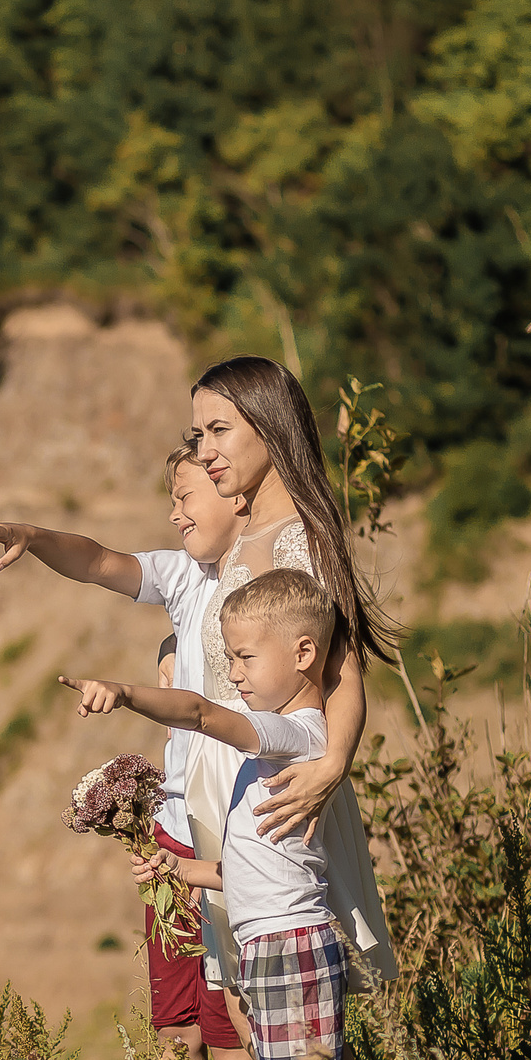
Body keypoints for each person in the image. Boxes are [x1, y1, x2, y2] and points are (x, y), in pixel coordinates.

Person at [0, 451, 257, 1060]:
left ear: (237, 495)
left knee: (229, 1027)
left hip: (228, 837)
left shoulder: (266, 580)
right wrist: (35, 537)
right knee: (175, 1025)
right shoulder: (186, 575)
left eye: (187, 497)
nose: (173, 511)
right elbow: (98, 559)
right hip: (174, 834)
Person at [58, 569, 354, 1060]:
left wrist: (126, 693)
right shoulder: (268, 760)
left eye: (244, 657)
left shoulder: (295, 733)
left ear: (303, 654)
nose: (235, 673)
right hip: (270, 942)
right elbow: (254, 869)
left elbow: (197, 713)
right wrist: (180, 870)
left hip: (289, 949)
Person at [184, 357, 397, 990]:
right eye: (199, 435)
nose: (206, 450)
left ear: (270, 427)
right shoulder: (243, 528)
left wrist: (332, 767)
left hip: (281, 784)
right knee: (256, 1009)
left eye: (220, 430)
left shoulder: (299, 536)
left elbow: (343, 668)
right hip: (227, 778)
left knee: (302, 1006)